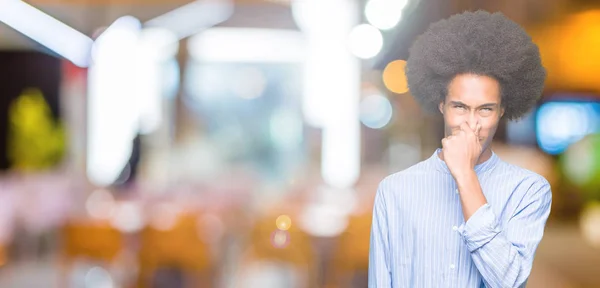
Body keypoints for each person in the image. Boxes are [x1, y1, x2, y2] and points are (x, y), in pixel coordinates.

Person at [368, 10, 551, 288]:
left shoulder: (528, 190)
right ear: (442, 105)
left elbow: (510, 281)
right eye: (460, 107)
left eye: (485, 109)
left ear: (502, 110)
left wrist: (466, 176)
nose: (472, 123)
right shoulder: (394, 191)